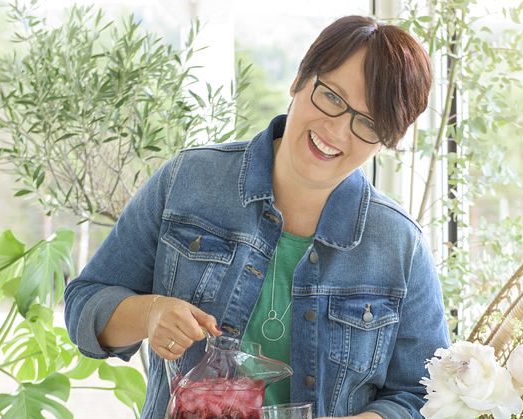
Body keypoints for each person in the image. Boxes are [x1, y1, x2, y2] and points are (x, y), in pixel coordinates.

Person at [64, 15, 449, 419]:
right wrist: (150, 313)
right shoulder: (189, 180)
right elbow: (83, 304)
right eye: (332, 97)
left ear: (386, 140)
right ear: (301, 79)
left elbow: (424, 394)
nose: (336, 131)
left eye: (368, 123)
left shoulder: (399, 244)